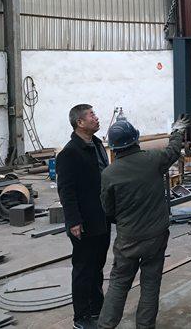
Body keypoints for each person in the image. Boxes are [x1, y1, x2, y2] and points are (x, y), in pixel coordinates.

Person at [97, 114, 190, 329]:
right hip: (156, 235)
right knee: (150, 283)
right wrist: (177, 131)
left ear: (113, 147)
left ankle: (105, 326)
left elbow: (108, 210)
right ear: (136, 139)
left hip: (128, 239)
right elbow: (173, 151)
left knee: (119, 284)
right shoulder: (153, 159)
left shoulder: (109, 174)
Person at [56, 104, 111, 329]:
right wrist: (74, 221)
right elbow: (65, 191)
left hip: (102, 217)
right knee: (83, 269)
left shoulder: (97, 145)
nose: (97, 118)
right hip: (84, 221)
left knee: (97, 266)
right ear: (80, 123)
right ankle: (81, 317)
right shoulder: (70, 153)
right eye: (92, 115)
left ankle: (97, 309)